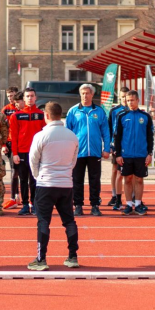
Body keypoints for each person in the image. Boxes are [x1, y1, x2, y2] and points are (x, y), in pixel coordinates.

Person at [27, 102, 80, 271]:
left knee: (43, 221)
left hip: (46, 183)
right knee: (69, 221)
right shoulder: (72, 136)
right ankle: (73, 257)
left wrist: (38, 177)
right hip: (65, 184)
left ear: (47, 116)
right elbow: (73, 161)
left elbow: (33, 160)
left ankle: (41, 259)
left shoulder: (41, 136)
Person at [65, 83, 111, 216]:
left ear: (92, 94)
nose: (85, 96)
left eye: (87, 93)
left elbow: (106, 132)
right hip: (78, 153)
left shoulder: (99, 111)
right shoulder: (73, 111)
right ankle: (78, 205)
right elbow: (67, 132)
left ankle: (95, 205)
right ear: (80, 95)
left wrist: (106, 148)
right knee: (77, 180)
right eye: (83, 93)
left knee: (95, 180)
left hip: (95, 152)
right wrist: (68, 149)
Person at [112, 89, 155, 215]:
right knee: (128, 179)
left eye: (132, 100)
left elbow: (150, 137)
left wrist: (149, 153)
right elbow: (117, 137)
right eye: (128, 100)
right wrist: (118, 154)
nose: (130, 102)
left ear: (138, 100)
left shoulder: (145, 116)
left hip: (141, 154)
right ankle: (129, 204)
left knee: (139, 179)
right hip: (126, 154)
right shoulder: (121, 116)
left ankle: (138, 204)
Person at [8, 88, 45, 216]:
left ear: (35, 98)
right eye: (27, 96)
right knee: (23, 179)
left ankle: (34, 204)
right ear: (23, 99)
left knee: (35, 180)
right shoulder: (16, 116)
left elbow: (45, 135)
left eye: (32, 96)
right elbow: (13, 136)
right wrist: (15, 154)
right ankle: (24, 205)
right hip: (22, 152)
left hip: (37, 153)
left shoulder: (41, 115)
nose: (30, 98)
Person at [108, 89, 129, 210]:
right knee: (115, 170)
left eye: (126, 96)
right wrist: (111, 145)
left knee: (128, 172)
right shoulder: (114, 111)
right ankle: (114, 195)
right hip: (117, 145)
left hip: (129, 146)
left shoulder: (132, 110)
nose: (124, 99)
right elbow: (110, 129)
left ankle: (132, 197)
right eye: (122, 97)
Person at [1, 87, 22, 208]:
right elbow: (2, 129)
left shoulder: (22, 109)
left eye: (12, 96)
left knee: (24, 171)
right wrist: (3, 145)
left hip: (22, 144)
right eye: (8, 96)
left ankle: (28, 198)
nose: (11, 98)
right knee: (14, 170)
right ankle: (14, 196)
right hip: (10, 143)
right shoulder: (6, 110)